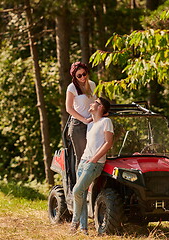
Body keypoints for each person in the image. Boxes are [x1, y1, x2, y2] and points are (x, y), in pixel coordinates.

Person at [70, 97, 114, 235]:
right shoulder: (90, 124)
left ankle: (74, 221)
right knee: (81, 193)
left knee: (77, 190)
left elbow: (108, 143)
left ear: (100, 107)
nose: (91, 103)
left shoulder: (106, 122)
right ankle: (83, 229)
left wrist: (94, 159)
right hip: (84, 161)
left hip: (94, 163)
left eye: (95, 102)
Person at [66, 62, 97, 172]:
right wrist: (84, 120)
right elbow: (69, 108)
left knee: (95, 156)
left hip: (93, 124)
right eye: (79, 76)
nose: (83, 77)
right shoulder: (72, 87)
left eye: (84, 74)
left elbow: (96, 102)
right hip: (78, 125)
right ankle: (79, 187)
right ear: (74, 76)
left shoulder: (92, 85)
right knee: (82, 157)